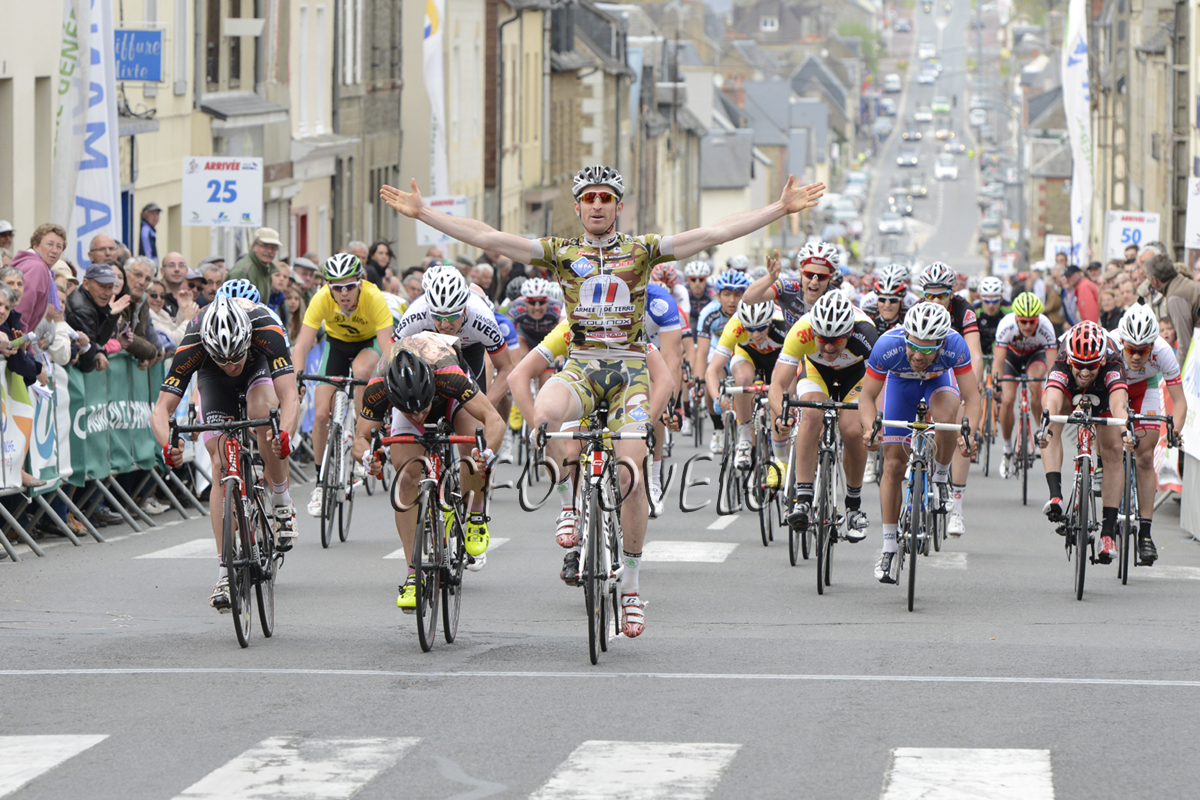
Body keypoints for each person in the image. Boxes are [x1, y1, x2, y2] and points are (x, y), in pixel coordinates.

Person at [382, 164, 824, 638]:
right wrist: (425, 214)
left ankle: (630, 588)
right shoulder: (561, 252)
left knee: (630, 477)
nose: (596, 205)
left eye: (605, 198)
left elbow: (714, 231)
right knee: (546, 414)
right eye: (588, 198)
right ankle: (570, 506)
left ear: (617, 206)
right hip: (581, 366)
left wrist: (779, 208)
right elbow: (490, 235)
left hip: (629, 370)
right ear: (577, 207)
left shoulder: (642, 250)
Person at [153, 295, 300, 610]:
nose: (232, 366)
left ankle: (281, 501)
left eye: (236, 357)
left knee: (263, 415)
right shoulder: (194, 342)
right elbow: (160, 410)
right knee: (219, 465)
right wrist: (167, 444)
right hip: (211, 378)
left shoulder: (267, 329)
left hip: (259, 369)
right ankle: (224, 572)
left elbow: (289, 396)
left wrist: (284, 433)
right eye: (225, 359)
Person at [352, 335, 504, 604]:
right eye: (411, 413)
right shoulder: (378, 388)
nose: (419, 416)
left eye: (422, 410)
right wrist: (367, 457)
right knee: (407, 477)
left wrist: (487, 452)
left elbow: (494, 420)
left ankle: (476, 514)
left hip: (449, 397)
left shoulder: (449, 374)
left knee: (472, 451)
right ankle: (413, 575)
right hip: (409, 392)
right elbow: (361, 438)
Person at [859, 303, 980, 583]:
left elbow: (972, 398)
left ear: (940, 345)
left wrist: (968, 433)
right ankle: (889, 548)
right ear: (906, 338)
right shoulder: (888, 344)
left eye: (927, 350)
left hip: (938, 381)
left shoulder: (954, 345)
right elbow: (866, 397)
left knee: (947, 415)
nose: (918, 355)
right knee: (892, 466)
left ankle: (939, 477)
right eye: (913, 347)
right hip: (900, 384)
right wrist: (870, 429)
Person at [290, 254, 396, 518]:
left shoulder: (374, 297)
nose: (344, 292)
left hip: (368, 343)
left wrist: (391, 386)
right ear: (328, 286)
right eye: (337, 287)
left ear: (360, 283)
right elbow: (302, 344)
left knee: (361, 371)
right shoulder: (321, 299)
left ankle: (361, 433)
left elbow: (388, 350)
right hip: (336, 347)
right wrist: (297, 379)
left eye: (349, 285)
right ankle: (319, 483)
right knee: (322, 415)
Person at [771, 291, 879, 537]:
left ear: (850, 333)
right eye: (823, 339)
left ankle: (853, 506)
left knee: (852, 429)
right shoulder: (801, 330)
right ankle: (804, 498)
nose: (829, 346)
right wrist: (781, 416)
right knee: (811, 415)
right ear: (813, 332)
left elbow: (880, 387)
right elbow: (776, 386)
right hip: (816, 371)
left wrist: (873, 425)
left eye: (837, 340)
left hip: (856, 376)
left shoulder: (867, 333)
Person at [1037, 321, 1135, 564]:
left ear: (1101, 361)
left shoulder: (1112, 359)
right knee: (1053, 420)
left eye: (1090, 366)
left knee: (1113, 450)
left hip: (1104, 393)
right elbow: (1053, 402)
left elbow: (1118, 405)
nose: (1083, 372)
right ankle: (1056, 495)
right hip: (1068, 390)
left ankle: (1108, 533)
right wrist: (1046, 428)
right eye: (1078, 365)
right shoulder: (1063, 356)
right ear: (1070, 359)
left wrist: (1124, 431)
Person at [1109, 304, 1187, 564]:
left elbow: (1179, 402)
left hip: (1145, 389)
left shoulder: (1164, 352)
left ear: (1153, 346)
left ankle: (1145, 533)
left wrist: (1175, 430)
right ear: (1121, 342)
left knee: (1144, 457)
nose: (1135, 356)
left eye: (1143, 351)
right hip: (1112, 386)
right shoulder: (1109, 344)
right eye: (1130, 349)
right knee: (1110, 443)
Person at [917, 262, 981, 536]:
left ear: (951, 293)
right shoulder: (916, 310)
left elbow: (975, 353)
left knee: (958, 429)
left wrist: (971, 391)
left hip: (954, 368)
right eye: (929, 295)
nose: (935, 301)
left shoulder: (964, 310)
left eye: (941, 295)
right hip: (923, 368)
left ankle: (956, 509)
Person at [392, 267, 514, 407]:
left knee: (473, 416)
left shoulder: (480, 316)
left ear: (465, 310)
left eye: (452, 316)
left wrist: (486, 409)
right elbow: (389, 357)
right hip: (428, 349)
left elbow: (506, 368)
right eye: (437, 316)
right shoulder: (417, 311)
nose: (444, 324)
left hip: (469, 350)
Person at [706, 298, 789, 472]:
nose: (756, 334)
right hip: (747, 355)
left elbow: (797, 367)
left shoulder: (784, 324)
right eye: (750, 328)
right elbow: (712, 370)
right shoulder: (735, 326)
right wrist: (716, 399)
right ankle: (744, 438)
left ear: (771, 321)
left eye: (761, 327)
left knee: (783, 386)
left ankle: (781, 442)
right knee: (742, 379)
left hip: (778, 358)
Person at [991, 292, 1057, 478]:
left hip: (1034, 357)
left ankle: (1038, 432)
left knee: (1037, 388)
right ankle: (1007, 449)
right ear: (1016, 319)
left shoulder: (1046, 326)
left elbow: (1053, 365)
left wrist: (1053, 387)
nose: (1028, 325)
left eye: (1032, 321)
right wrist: (996, 382)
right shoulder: (1006, 324)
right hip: (1011, 358)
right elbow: (998, 360)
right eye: (1023, 321)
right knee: (1008, 399)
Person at [697, 270, 751, 453]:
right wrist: (699, 380)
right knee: (711, 379)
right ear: (718, 296)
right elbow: (702, 351)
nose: (732, 300)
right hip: (717, 352)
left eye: (738, 294)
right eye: (727, 294)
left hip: (741, 353)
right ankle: (718, 429)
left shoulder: (750, 312)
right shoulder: (708, 313)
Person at [742, 240, 838, 326]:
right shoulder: (788, 287)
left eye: (821, 276)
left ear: (830, 278)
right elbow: (748, 299)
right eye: (809, 274)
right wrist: (770, 278)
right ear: (800, 273)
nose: (814, 282)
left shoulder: (837, 299)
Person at [65, 264, 129, 372]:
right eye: (102, 286)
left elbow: (97, 341)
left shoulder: (91, 302)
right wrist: (98, 354)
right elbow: (87, 362)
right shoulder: (82, 309)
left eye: (110, 287)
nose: (107, 293)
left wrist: (111, 315)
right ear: (86, 283)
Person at [1142, 253, 1200, 360]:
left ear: (1154, 280)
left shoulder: (1175, 297)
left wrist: (1177, 375)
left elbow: (1184, 344)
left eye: (1148, 279)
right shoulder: (1183, 283)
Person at [228, 227, 283, 303]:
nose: (269, 251)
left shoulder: (266, 269)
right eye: (265, 246)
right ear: (254, 246)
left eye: (273, 248)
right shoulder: (243, 271)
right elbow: (234, 305)